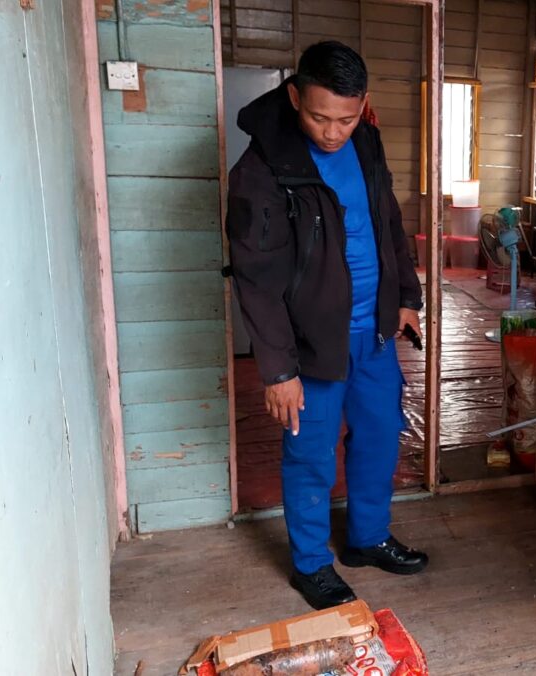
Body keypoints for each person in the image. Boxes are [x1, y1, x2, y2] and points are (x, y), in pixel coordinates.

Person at [226, 40, 428, 610]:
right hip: (311, 345)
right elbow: (255, 277)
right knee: (310, 453)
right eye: (319, 116)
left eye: (346, 116)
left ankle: (367, 539)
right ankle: (312, 564)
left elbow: (387, 219)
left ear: (363, 105)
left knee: (380, 437)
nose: (333, 131)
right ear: (294, 97)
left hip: (375, 335)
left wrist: (405, 298)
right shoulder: (262, 168)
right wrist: (277, 369)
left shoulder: (365, 138)